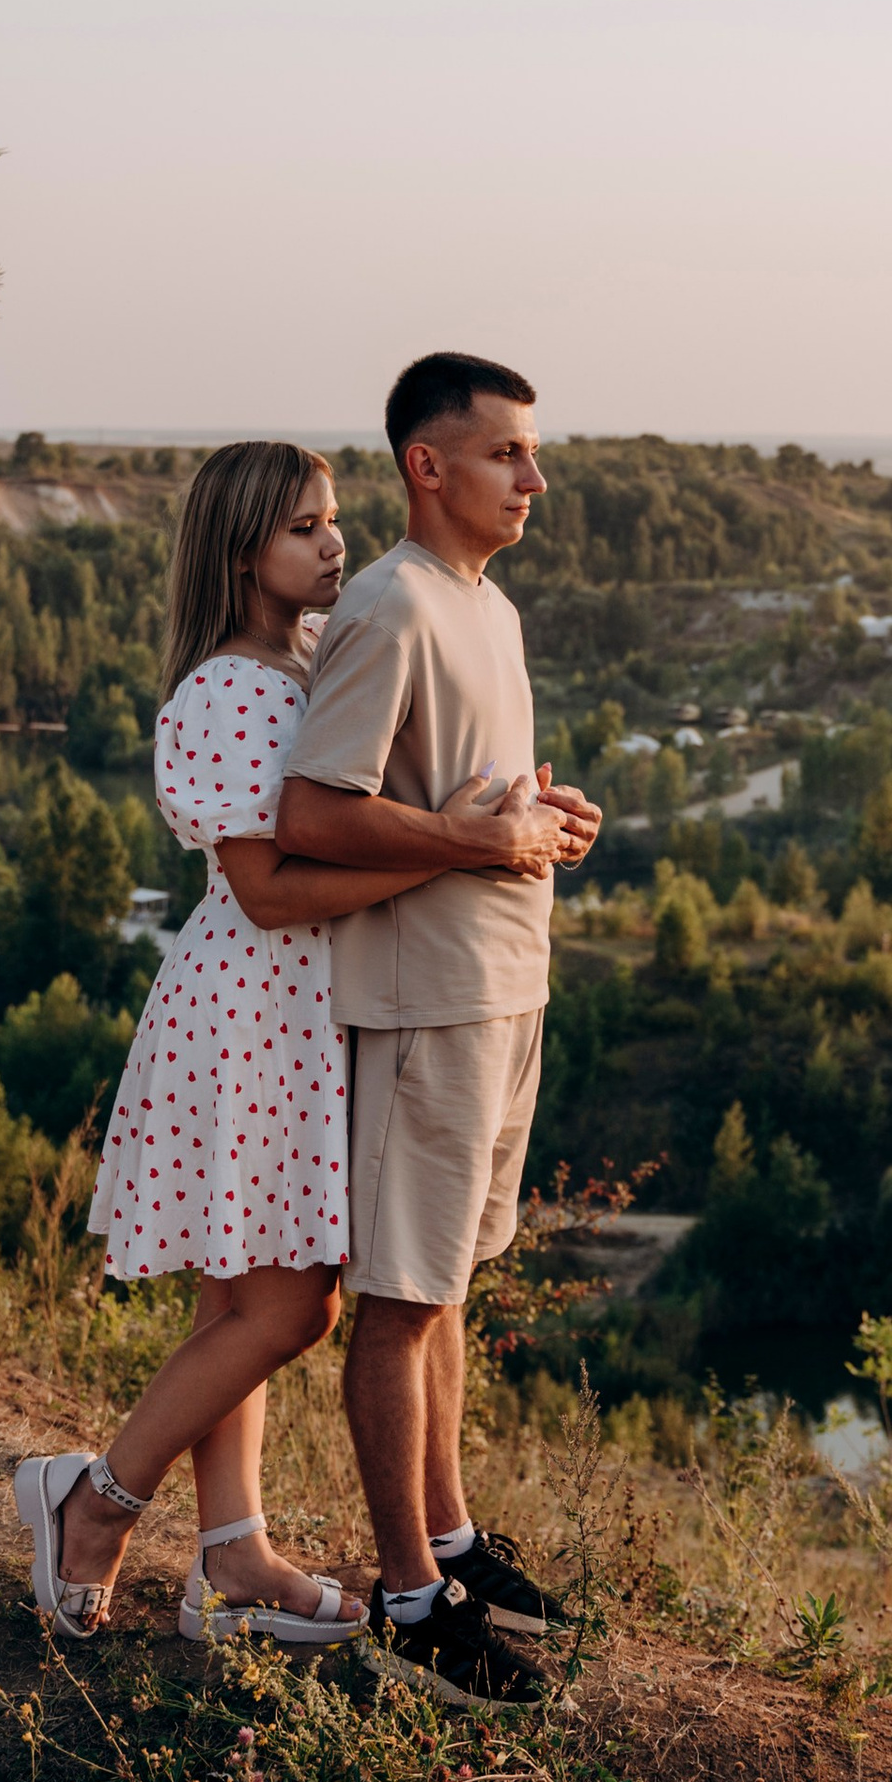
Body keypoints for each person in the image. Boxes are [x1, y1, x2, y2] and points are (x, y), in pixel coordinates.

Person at [11, 440, 556, 1646]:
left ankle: (235, 1557)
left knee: (234, 1303)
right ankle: (93, 1501)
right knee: (292, 1310)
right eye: (304, 527)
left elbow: (358, 828)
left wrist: (480, 824)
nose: (333, 542)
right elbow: (265, 888)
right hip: (254, 1011)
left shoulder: (301, 659)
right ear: (240, 549)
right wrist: (462, 846)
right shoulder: (227, 686)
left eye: (334, 521)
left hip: (297, 1009)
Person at [276, 353, 601, 1706]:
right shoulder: (390, 609)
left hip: (500, 985)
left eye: (531, 454)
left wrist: (539, 821)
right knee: (402, 1302)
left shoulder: (487, 608)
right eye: (507, 454)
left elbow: (472, 811)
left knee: (449, 1287)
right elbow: (313, 813)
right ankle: (408, 1601)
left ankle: (453, 1543)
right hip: (420, 1001)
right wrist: (479, 838)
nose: (535, 477)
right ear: (428, 466)